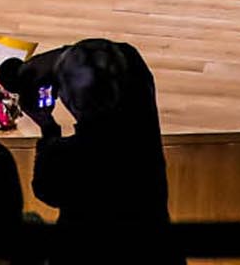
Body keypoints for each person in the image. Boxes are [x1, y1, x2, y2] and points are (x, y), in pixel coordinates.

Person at [22, 38, 180, 255]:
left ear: (70, 101)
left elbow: (47, 191)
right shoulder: (139, 113)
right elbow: (127, 53)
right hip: (153, 251)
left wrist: (48, 129)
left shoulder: (69, 156)